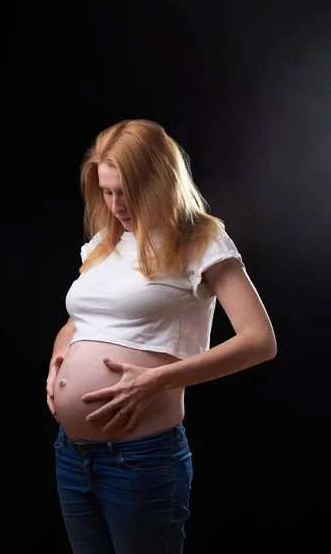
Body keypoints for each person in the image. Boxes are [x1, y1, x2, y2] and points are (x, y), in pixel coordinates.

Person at [46, 119, 277, 554]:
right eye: (106, 191)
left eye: (125, 191)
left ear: (159, 179)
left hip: (140, 459)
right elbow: (78, 322)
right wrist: (58, 361)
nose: (115, 204)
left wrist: (157, 380)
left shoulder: (201, 239)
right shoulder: (104, 244)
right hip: (72, 455)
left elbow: (259, 340)